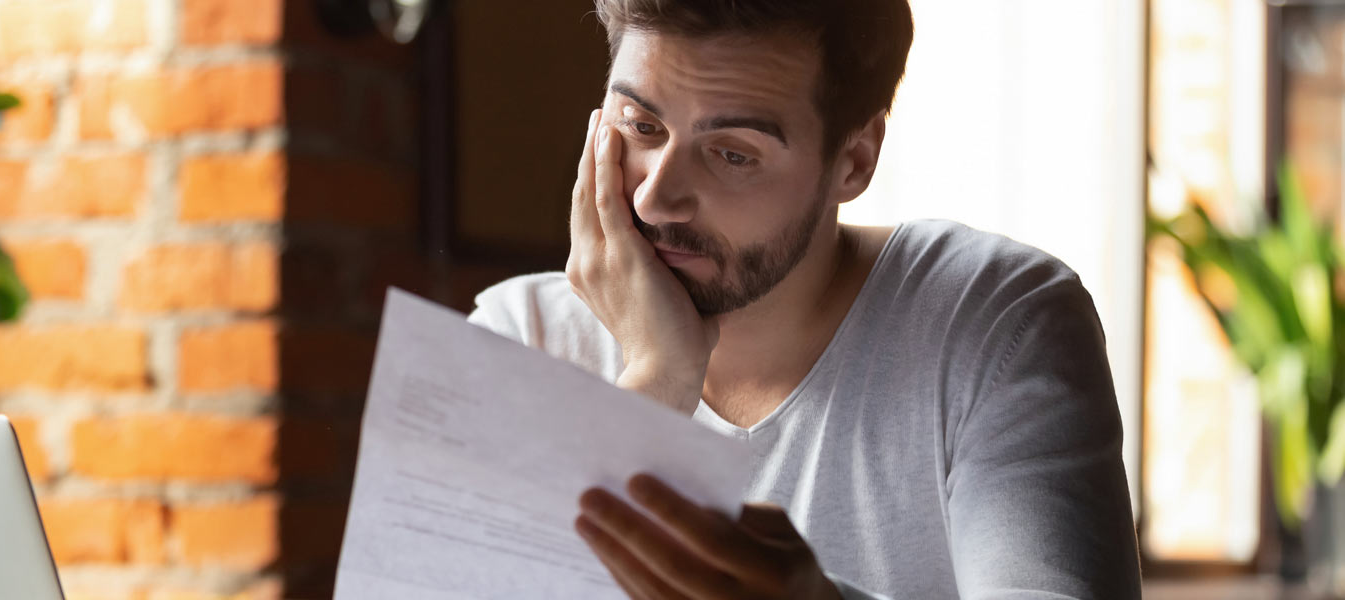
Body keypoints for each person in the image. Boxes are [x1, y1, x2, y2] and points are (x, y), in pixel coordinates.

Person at [467, 1, 1142, 598]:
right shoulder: (519, 337)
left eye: (732, 154)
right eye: (641, 128)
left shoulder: (997, 322)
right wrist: (657, 378)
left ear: (854, 161)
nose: (654, 197)